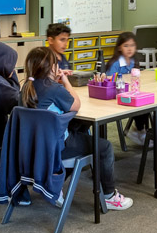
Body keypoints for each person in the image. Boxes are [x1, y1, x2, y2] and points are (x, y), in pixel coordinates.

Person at [20, 47, 133, 211]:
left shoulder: (26, 88)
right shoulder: (54, 88)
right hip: (56, 148)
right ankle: (109, 196)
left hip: (31, 148)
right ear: (52, 67)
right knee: (105, 147)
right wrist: (65, 82)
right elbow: (76, 104)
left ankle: (54, 185)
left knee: (80, 126)